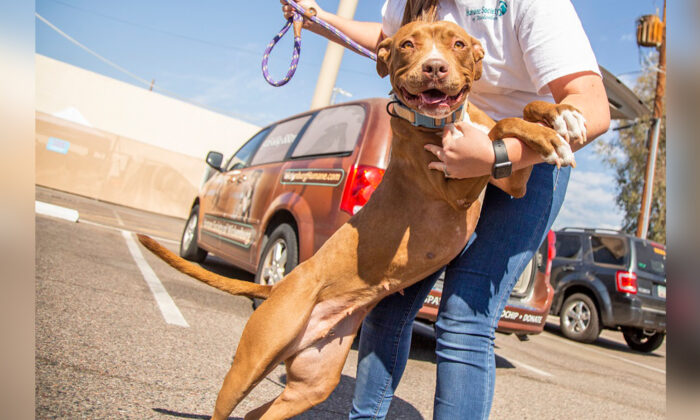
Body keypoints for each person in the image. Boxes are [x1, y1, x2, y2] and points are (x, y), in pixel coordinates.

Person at [281, 1, 610, 418]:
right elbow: (390, 39)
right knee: (389, 300)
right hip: (443, 139)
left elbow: (594, 109)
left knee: (464, 319)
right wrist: (317, 19)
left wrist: (493, 156)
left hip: (525, 153)